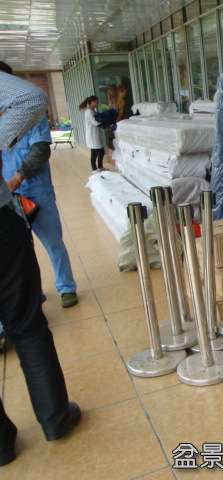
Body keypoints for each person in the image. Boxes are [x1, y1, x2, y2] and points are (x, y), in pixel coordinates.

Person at [0, 65, 81, 467]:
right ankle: (54, 417)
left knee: (53, 242)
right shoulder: (16, 106)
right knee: (28, 325)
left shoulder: (26, 128)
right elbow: (30, 97)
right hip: (1, 222)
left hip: (27, 192)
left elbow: (39, 149)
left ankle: (1, 445)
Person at [0, 63, 78, 309]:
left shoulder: (32, 114)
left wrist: (18, 178)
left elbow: (41, 150)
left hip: (36, 190)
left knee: (53, 241)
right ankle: (33, 293)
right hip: (8, 197)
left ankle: (66, 287)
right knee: (22, 249)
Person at [79, 95, 105, 171]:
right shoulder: (88, 111)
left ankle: (100, 167)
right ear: (92, 102)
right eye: (96, 102)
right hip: (92, 135)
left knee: (101, 151)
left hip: (96, 134)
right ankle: (94, 169)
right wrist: (105, 124)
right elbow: (95, 122)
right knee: (94, 152)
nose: (97, 103)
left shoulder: (93, 110)